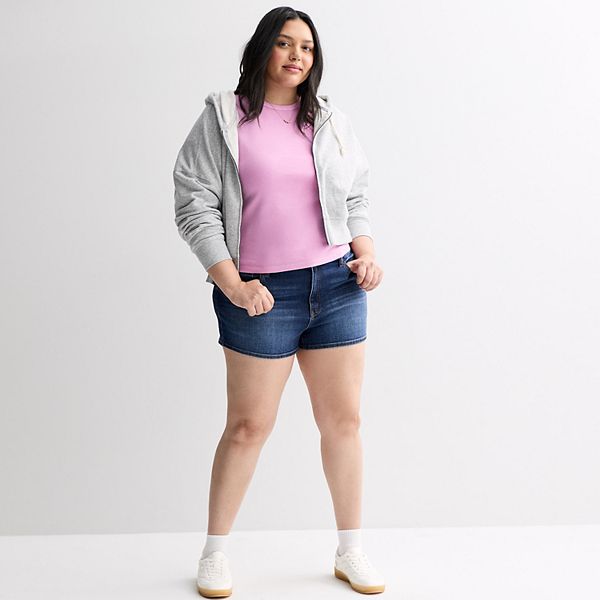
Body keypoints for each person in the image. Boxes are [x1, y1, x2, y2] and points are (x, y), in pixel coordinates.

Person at [173, 7, 385, 597]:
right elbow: (193, 204)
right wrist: (232, 283)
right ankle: (215, 553)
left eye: (308, 48)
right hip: (260, 293)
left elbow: (356, 196)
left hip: (337, 285)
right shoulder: (224, 118)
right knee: (248, 427)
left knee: (344, 422)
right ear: (263, 48)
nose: (298, 56)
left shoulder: (330, 120)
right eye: (286, 44)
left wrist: (366, 253)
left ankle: (351, 549)